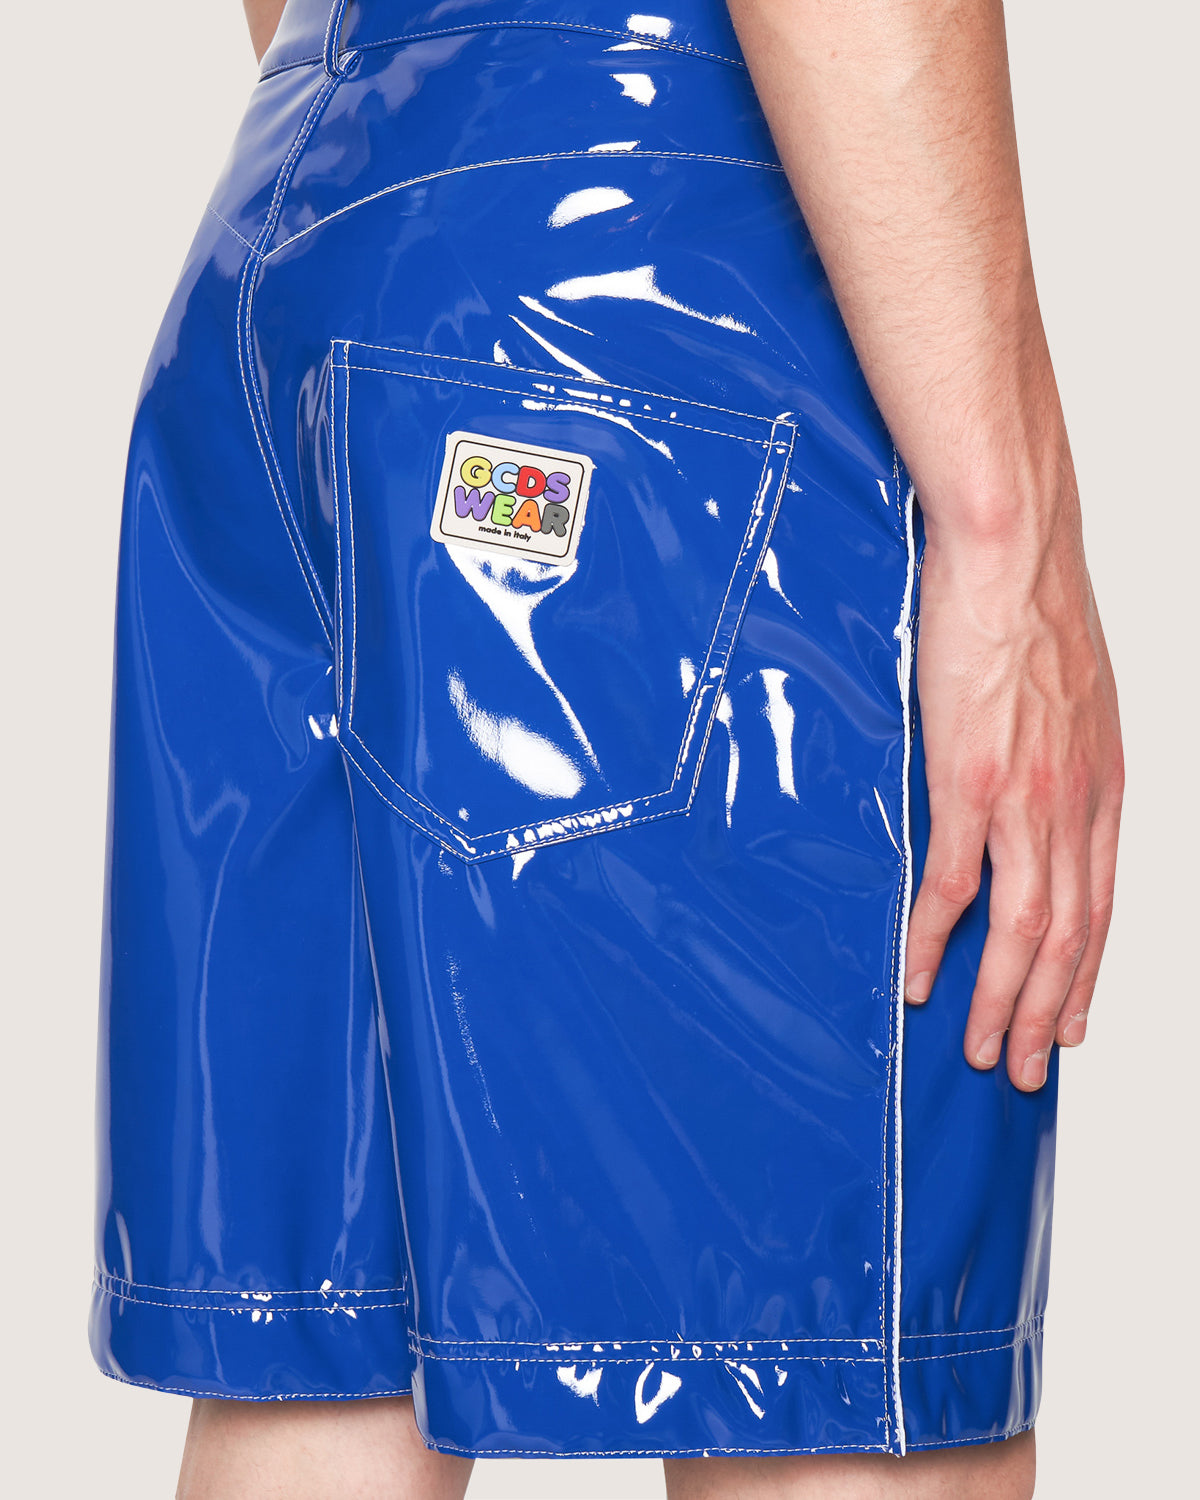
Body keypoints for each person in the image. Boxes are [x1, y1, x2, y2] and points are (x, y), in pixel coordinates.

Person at [93, 1, 1123, 1496]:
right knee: (818, 1364)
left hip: (305, 248)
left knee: (331, 1368)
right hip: (654, 308)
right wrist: (1012, 541)